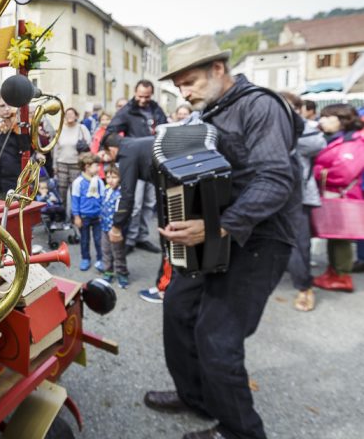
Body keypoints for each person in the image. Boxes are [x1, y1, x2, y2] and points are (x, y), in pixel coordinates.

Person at [144, 35, 300, 439]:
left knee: (216, 337)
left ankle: (239, 431)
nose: (185, 91)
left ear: (218, 69)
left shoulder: (259, 105)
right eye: (179, 86)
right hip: (216, 232)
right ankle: (197, 397)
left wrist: (214, 227)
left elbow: (276, 180)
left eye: (191, 81)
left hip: (260, 238)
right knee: (178, 311)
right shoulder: (207, 116)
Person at [107, 80, 166, 254]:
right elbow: (110, 133)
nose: (143, 100)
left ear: (151, 94)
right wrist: (127, 145)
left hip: (155, 163)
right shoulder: (127, 111)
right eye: (140, 96)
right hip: (136, 164)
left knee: (149, 204)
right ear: (135, 92)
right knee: (135, 204)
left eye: (146, 96)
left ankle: (142, 237)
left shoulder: (155, 108)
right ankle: (130, 239)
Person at [279, 92, 326, 311]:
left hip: (297, 196)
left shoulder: (307, 131)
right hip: (266, 193)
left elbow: (317, 144)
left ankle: (304, 286)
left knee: (300, 244)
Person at [311, 103, 364, 292]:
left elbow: (342, 174)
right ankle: (334, 271)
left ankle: (342, 276)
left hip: (343, 197)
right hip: (337, 197)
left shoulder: (353, 143)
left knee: (341, 238)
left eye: (327, 117)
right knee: (334, 237)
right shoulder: (341, 139)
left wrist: (317, 171)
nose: (322, 120)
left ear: (341, 120)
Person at [100, 133, 155, 259]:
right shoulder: (132, 143)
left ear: (112, 149)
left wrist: (117, 226)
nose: (111, 158)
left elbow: (127, 194)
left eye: (108, 154)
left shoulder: (126, 153)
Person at [0, 89, 28, 199]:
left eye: (9, 104)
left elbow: (28, 149)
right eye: (2, 106)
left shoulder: (19, 125)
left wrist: (22, 131)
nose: (7, 109)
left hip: (18, 181)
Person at [70, 153, 105, 272]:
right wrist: (76, 217)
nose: (99, 168)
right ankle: (85, 258)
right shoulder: (78, 182)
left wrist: (103, 213)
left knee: (98, 240)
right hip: (83, 217)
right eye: (96, 165)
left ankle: (101, 259)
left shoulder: (99, 181)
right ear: (87, 166)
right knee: (84, 240)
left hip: (97, 217)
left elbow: (103, 198)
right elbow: (75, 200)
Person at [53, 107, 91, 210]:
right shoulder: (60, 128)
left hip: (76, 164)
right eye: (67, 114)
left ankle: (75, 215)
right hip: (62, 164)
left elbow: (88, 144)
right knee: (62, 192)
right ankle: (62, 216)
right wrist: (54, 165)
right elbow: (56, 148)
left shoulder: (81, 128)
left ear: (76, 116)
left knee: (76, 191)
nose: (69, 116)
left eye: (72, 114)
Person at [100, 165, 127, 288]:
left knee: (118, 253)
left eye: (114, 177)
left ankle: (122, 273)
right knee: (106, 251)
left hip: (115, 230)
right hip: (105, 227)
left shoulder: (121, 193)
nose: (110, 180)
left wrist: (118, 229)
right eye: (108, 177)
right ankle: (108, 271)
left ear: (120, 178)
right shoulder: (106, 191)